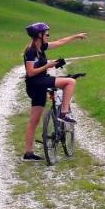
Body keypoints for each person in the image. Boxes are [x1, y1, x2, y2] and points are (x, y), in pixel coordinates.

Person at [21, 22, 87, 162]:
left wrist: (75, 36)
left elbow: (59, 42)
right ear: (39, 35)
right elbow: (30, 72)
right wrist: (48, 65)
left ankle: (28, 152)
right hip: (36, 82)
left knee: (34, 120)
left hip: (39, 82)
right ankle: (63, 113)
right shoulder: (31, 51)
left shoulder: (41, 47)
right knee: (70, 82)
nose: (48, 36)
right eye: (46, 34)